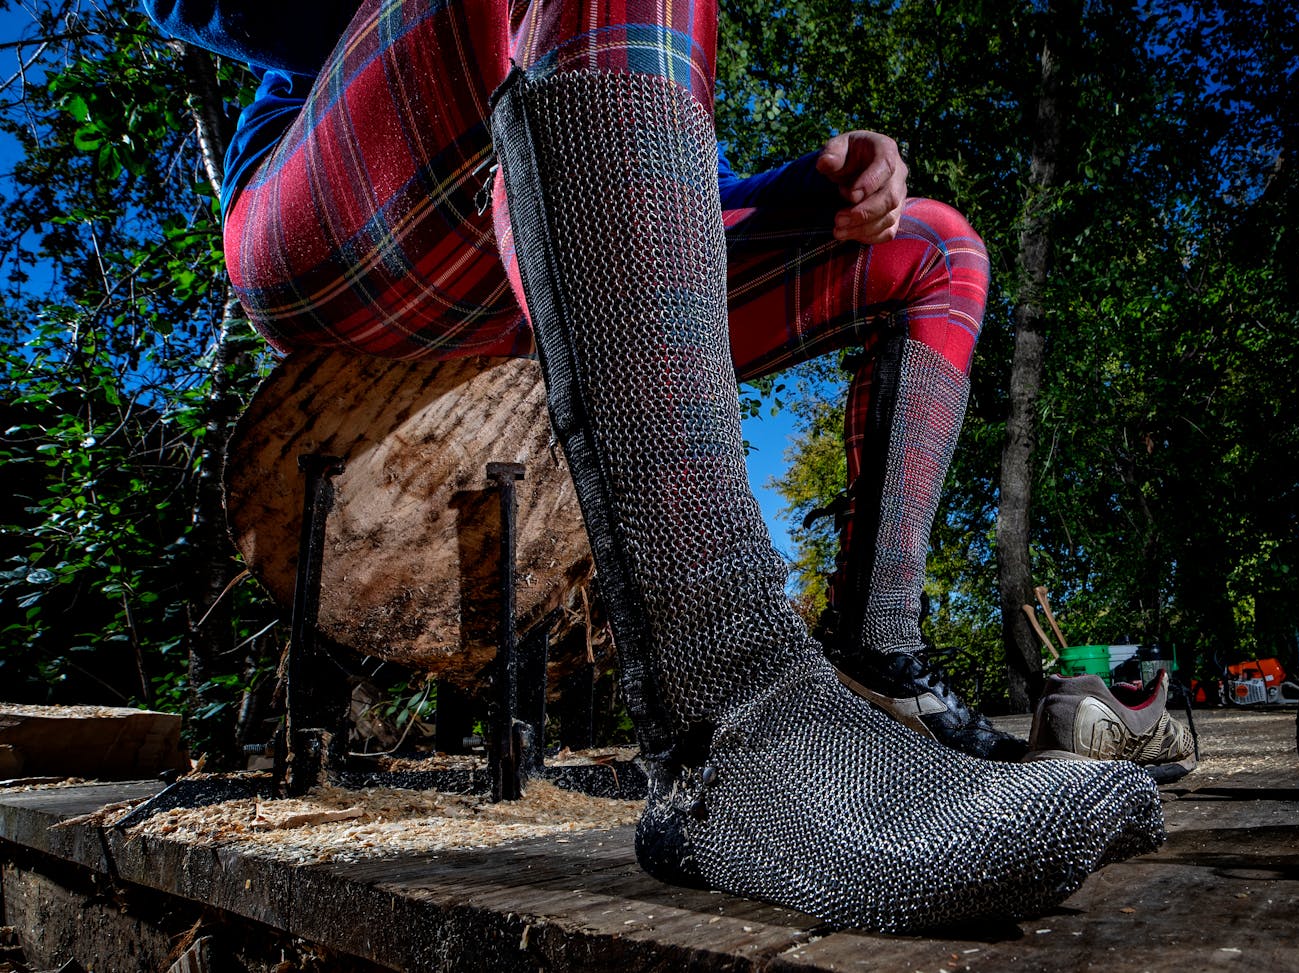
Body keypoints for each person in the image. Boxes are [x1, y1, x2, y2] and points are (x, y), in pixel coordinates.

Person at [143, 0, 1164, 931]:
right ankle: (732, 732)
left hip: (547, 228)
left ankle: (876, 667)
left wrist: (804, 194)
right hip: (351, 215)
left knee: (935, 251)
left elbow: (616, 139)